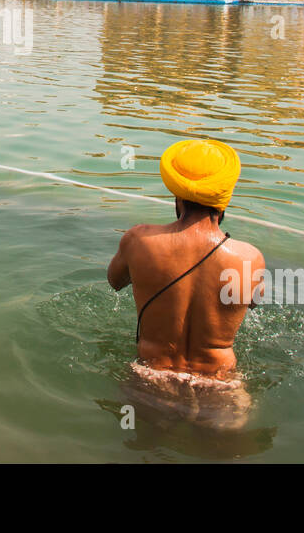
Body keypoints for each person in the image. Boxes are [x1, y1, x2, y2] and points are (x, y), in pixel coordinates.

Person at [108, 138, 265, 422]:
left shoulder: (138, 240)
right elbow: (254, 302)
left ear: (177, 195)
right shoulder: (249, 257)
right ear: (225, 199)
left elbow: (115, 282)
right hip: (220, 384)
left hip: (151, 376)